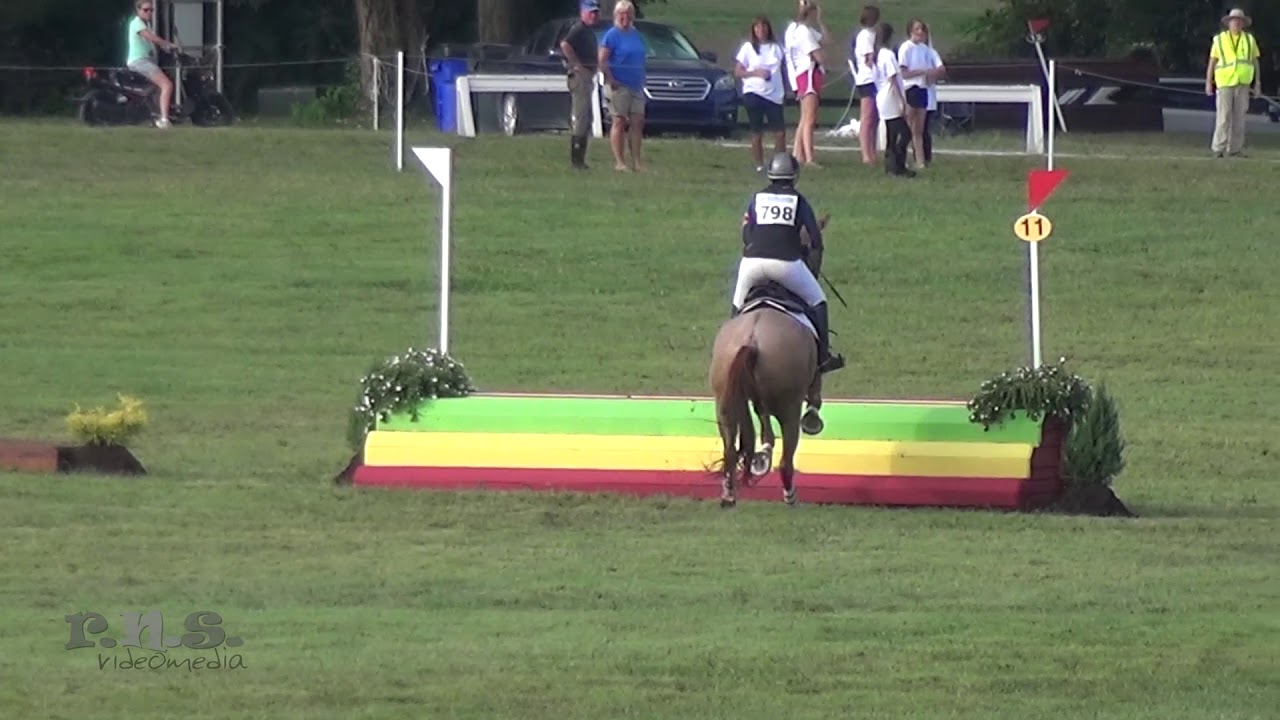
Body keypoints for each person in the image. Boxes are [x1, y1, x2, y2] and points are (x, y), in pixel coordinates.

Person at [732, 152, 844, 375]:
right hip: (785, 265)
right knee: (819, 301)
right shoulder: (799, 201)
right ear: (795, 176)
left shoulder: (756, 199)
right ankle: (823, 357)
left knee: (736, 307)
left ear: (770, 175)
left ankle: (728, 351)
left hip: (751, 264)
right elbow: (815, 239)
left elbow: (746, 235)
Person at [1206, 8, 1262, 158]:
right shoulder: (1220, 39)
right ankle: (1218, 148)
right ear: (1229, 23)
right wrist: (1209, 82)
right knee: (1223, 116)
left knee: (1239, 118)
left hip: (1243, 83)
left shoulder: (1249, 40)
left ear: (1243, 23)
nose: (1237, 23)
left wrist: (1257, 83)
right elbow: (1212, 61)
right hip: (1224, 82)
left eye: (1239, 20)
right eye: (1234, 20)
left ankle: (1235, 149)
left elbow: (1255, 62)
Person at [599, 1, 648, 172]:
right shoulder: (611, 35)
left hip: (636, 85)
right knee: (619, 121)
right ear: (616, 15)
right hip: (618, 85)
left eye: (628, 13)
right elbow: (602, 60)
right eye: (621, 14)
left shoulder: (636, 34)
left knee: (637, 122)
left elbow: (641, 58)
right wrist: (610, 79)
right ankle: (620, 162)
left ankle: (637, 162)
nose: (625, 17)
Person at [734, 16, 787, 174]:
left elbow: (784, 68)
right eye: (757, 28)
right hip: (754, 93)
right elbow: (738, 71)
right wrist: (755, 73)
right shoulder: (748, 48)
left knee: (780, 133)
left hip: (774, 95)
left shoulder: (777, 48)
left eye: (764, 27)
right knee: (757, 131)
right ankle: (759, 164)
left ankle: (779, 164)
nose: (761, 31)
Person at [783, 0, 826, 168]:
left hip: (803, 74)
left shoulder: (798, 30)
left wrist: (821, 22)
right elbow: (818, 55)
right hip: (808, 73)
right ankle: (809, 157)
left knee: (804, 117)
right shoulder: (803, 32)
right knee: (810, 118)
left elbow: (826, 39)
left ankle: (798, 153)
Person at [125, 1, 181, 129]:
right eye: (146, 10)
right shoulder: (136, 23)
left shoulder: (146, 25)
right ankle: (164, 120)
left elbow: (149, 43)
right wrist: (167, 44)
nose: (149, 12)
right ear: (138, 10)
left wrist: (166, 49)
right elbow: (151, 38)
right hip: (139, 61)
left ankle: (157, 114)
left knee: (157, 88)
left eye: (151, 10)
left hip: (144, 60)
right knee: (167, 85)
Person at [560, 0, 601, 170]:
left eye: (595, 12)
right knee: (581, 116)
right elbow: (565, 44)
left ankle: (581, 159)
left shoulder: (589, 31)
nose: (594, 16)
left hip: (587, 76)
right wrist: (577, 65)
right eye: (590, 12)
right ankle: (576, 161)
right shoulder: (578, 29)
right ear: (582, 12)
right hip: (579, 77)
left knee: (587, 117)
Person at [898, 19, 944, 170]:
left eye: (922, 29)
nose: (920, 32)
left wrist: (931, 75)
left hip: (922, 89)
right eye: (917, 29)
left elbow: (936, 69)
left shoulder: (925, 49)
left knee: (919, 129)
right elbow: (904, 73)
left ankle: (920, 160)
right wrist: (922, 72)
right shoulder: (906, 48)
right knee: (908, 128)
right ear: (910, 31)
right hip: (911, 88)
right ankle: (900, 158)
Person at [873, 23, 913, 177]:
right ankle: (898, 164)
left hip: (882, 96)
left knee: (892, 133)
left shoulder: (877, 55)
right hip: (891, 97)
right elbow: (893, 79)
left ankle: (890, 165)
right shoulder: (888, 55)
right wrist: (903, 101)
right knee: (904, 133)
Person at [849, 5, 881, 165]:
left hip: (873, 79)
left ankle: (872, 151)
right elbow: (869, 59)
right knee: (867, 118)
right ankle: (866, 154)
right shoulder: (866, 36)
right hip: (867, 79)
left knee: (874, 118)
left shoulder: (870, 35)